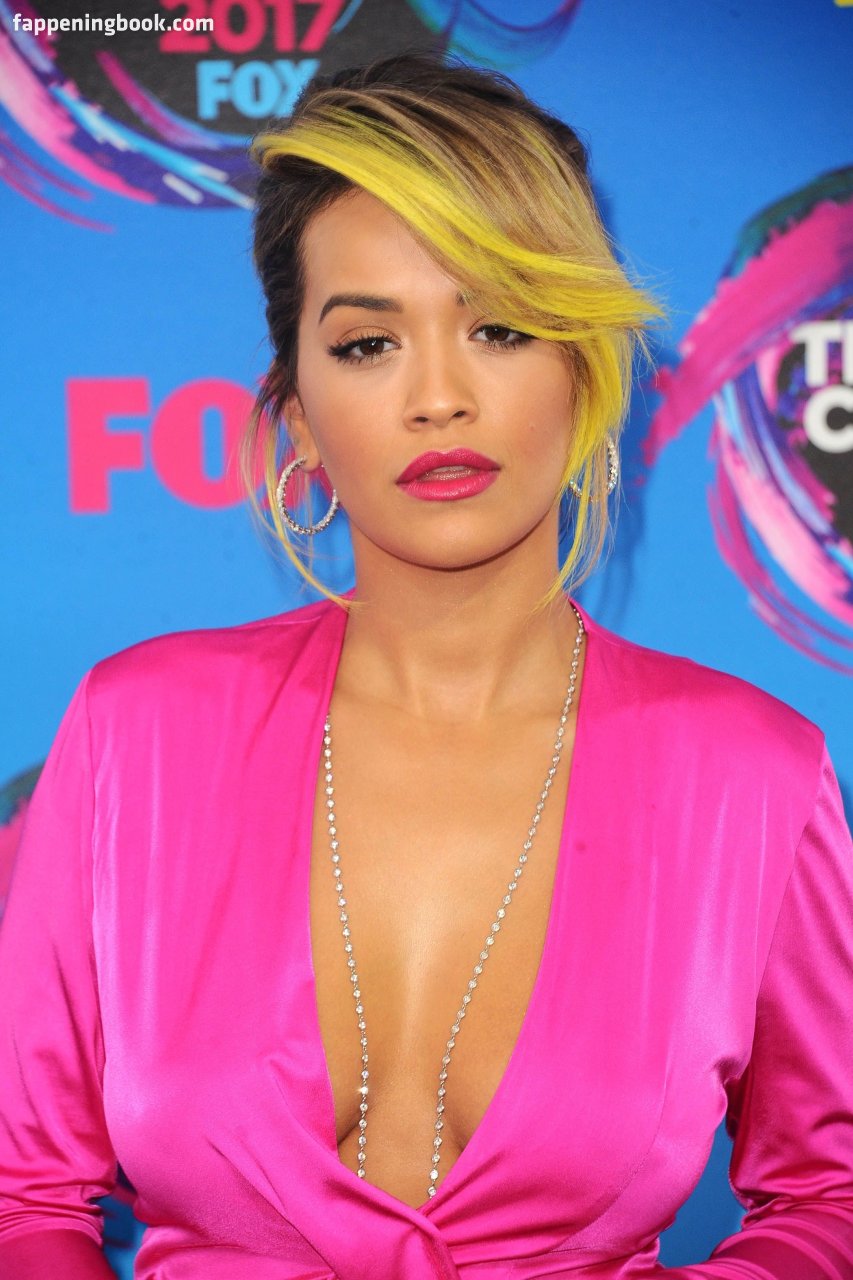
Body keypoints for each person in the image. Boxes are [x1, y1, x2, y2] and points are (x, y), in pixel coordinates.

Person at [0, 51, 851, 1280]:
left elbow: (828, 1192)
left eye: (498, 326)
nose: (438, 396)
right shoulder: (136, 732)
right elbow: (24, 1188)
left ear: (585, 372)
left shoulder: (752, 774)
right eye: (367, 343)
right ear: (297, 414)